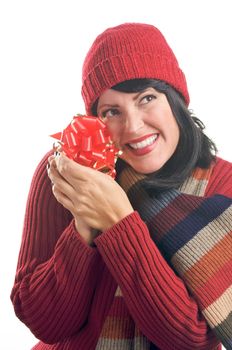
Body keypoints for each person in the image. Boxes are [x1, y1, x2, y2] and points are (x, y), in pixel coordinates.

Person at [11, 23, 232, 350]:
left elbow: (191, 340)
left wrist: (118, 222)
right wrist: (84, 224)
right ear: (95, 120)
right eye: (112, 110)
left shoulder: (223, 185)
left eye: (146, 98)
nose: (133, 126)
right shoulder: (65, 172)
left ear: (175, 100)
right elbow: (45, 323)